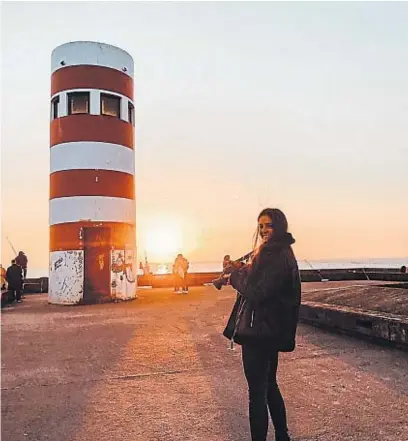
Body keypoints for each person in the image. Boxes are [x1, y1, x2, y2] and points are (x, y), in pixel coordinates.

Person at [223, 208, 301, 441]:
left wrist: (234, 278)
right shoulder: (277, 252)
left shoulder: (275, 254)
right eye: (261, 226)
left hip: (259, 332)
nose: (264, 230)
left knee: (257, 393)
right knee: (268, 386)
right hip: (268, 330)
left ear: (279, 226)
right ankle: (282, 435)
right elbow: (259, 277)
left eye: (269, 225)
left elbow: (257, 291)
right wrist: (240, 268)